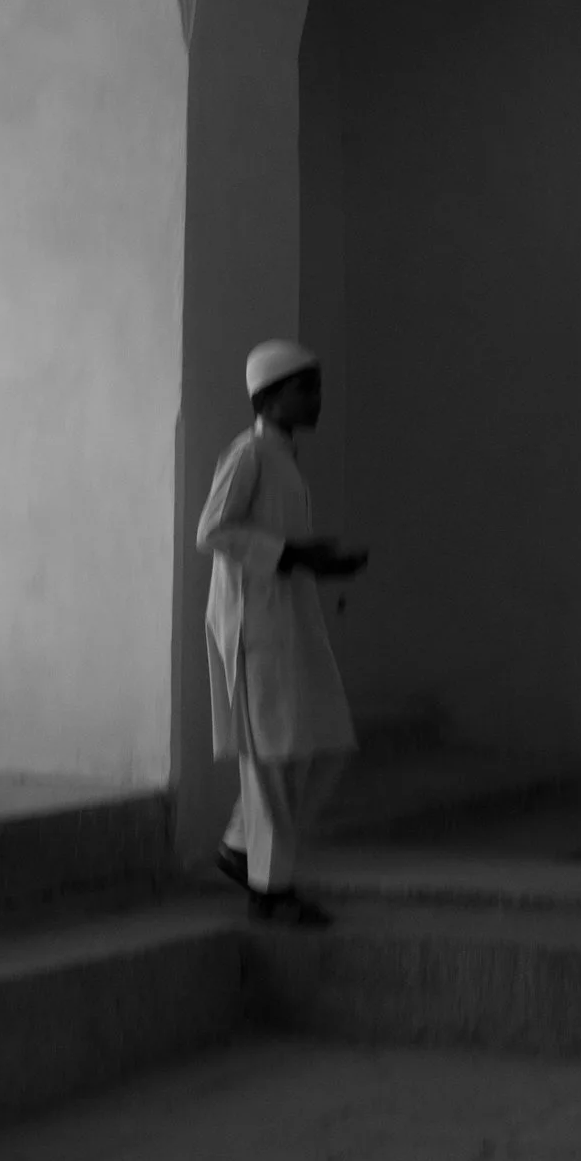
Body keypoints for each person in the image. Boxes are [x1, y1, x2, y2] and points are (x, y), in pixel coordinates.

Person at [197, 341, 366, 923]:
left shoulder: (283, 459)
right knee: (271, 758)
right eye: (304, 389)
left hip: (287, 618)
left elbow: (275, 548)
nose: (317, 399)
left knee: (322, 741)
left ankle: (243, 845)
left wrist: (313, 562)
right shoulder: (246, 455)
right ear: (268, 398)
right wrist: (293, 553)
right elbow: (214, 531)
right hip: (253, 626)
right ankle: (271, 892)